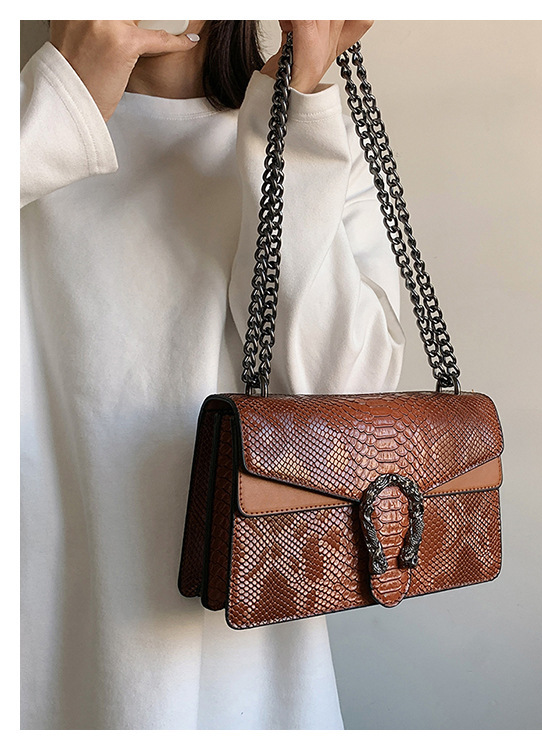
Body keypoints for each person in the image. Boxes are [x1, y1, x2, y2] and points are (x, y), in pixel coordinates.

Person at [20, 20, 405, 730]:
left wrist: (296, 101)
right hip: (44, 668)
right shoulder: (27, 129)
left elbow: (348, 407)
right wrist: (54, 110)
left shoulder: (312, 132)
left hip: (250, 677)